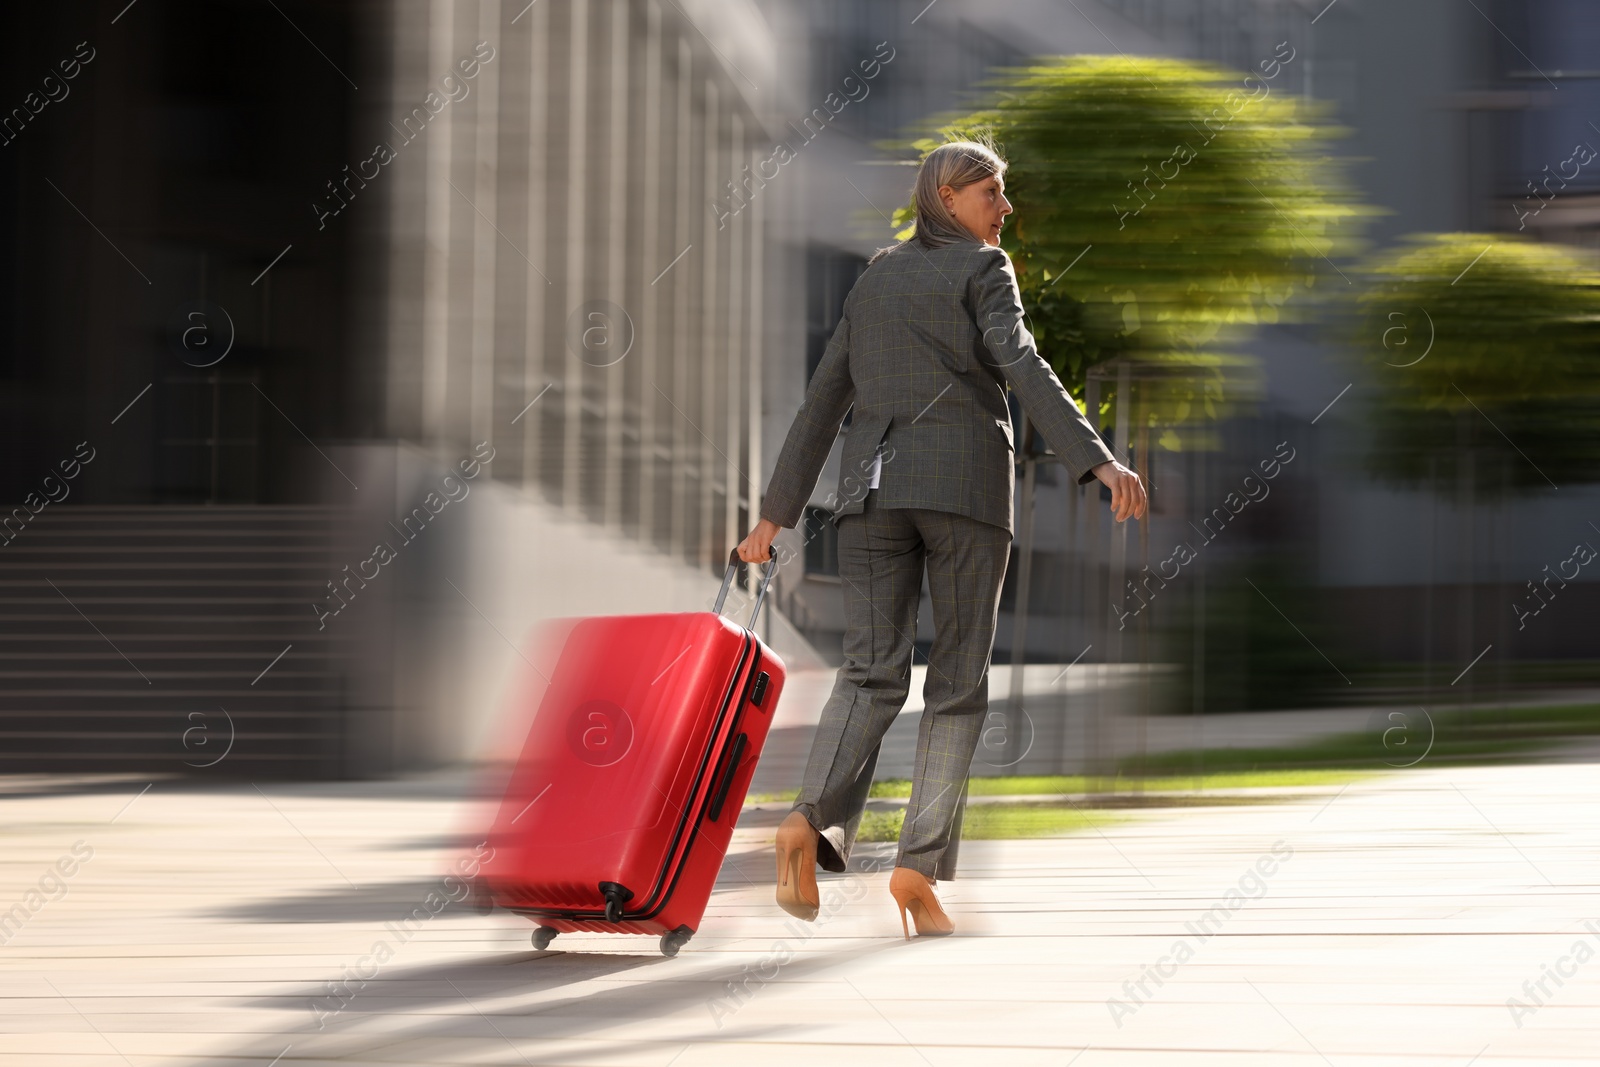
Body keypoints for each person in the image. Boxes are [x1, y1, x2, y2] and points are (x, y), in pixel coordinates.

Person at [735, 139, 1147, 939]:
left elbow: (822, 402)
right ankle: (916, 868)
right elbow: (1020, 361)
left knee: (869, 672)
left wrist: (772, 520)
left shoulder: (875, 276)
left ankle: (807, 817)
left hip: (868, 495)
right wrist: (1094, 460)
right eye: (992, 193)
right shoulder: (983, 270)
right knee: (956, 684)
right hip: (960, 488)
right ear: (950, 196)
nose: (1005, 208)